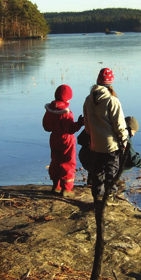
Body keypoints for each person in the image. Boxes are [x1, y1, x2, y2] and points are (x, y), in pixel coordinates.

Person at [82, 67, 129, 203]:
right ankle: (109, 198)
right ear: (111, 83)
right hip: (111, 144)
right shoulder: (112, 101)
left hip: (95, 143)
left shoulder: (88, 99)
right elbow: (119, 125)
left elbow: (87, 122)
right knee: (111, 173)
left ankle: (97, 197)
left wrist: (91, 137)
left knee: (97, 172)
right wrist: (124, 140)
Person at [42, 84, 84, 197]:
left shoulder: (49, 110)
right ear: (68, 98)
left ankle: (56, 186)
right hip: (66, 140)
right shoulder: (66, 113)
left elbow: (46, 127)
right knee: (68, 162)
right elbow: (70, 129)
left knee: (55, 161)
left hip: (54, 138)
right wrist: (80, 123)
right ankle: (67, 189)